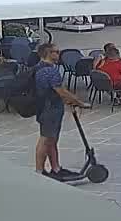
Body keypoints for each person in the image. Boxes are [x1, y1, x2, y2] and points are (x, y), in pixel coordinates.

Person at [30, 43, 86, 181]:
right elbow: (60, 90)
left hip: (45, 107)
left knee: (51, 139)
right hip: (50, 109)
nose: (59, 54)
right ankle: (39, 171)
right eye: (56, 52)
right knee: (45, 139)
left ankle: (56, 168)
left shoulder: (38, 68)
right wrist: (78, 102)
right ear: (49, 53)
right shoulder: (49, 70)